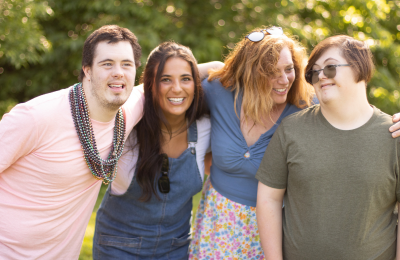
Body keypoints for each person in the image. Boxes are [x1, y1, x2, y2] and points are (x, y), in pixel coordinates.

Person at [0, 25, 144, 259]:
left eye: (126, 64)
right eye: (107, 63)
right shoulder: (36, 117)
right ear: (87, 70)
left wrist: (221, 68)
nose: (118, 72)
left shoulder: (127, 112)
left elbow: (175, 76)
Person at [256, 35, 400, 259]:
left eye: (330, 67)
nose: (320, 75)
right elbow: (269, 199)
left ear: (360, 67)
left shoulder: (394, 135)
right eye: (313, 72)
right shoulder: (291, 130)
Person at [189, 26, 315, 259]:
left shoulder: (306, 105)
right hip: (218, 225)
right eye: (271, 72)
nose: (284, 80)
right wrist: (216, 66)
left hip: (274, 229)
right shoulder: (220, 90)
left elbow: (355, 113)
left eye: (289, 69)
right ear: (250, 72)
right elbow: (171, 77)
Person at [93, 42, 211, 260]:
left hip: (177, 249)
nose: (177, 88)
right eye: (165, 79)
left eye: (186, 78)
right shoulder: (125, 127)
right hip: (119, 247)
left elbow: (221, 69)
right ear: (150, 86)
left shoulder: (205, 127)